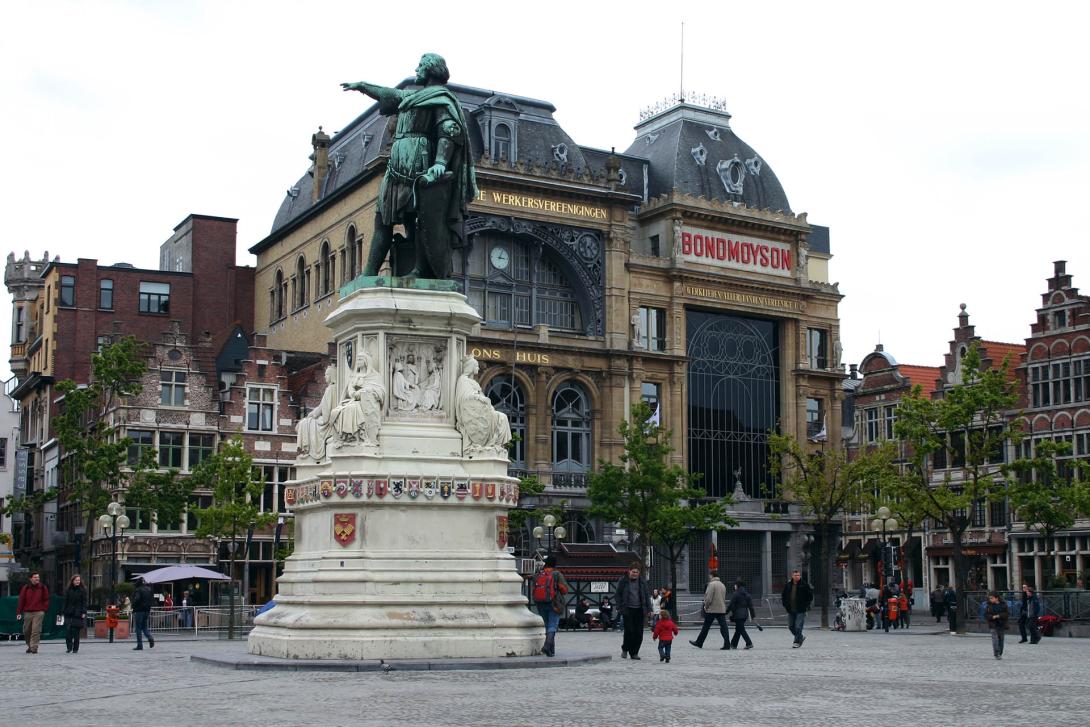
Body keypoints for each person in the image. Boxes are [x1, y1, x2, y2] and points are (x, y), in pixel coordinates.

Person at [342, 53, 477, 280]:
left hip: (420, 167)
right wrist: (363, 86)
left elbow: (449, 132)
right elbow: (389, 94)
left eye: (421, 65)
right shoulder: (411, 97)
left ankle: (420, 270)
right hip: (396, 168)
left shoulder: (441, 99)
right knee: (383, 218)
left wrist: (440, 163)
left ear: (431, 69)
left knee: (421, 220)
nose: (417, 69)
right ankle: (369, 273)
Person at [531, 556, 569, 657]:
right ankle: (547, 646)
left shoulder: (538, 574)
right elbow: (564, 589)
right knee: (553, 626)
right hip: (554, 603)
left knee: (547, 626)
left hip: (540, 603)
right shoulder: (556, 574)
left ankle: (551, 650)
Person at [615, 564, 653, 659]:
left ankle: (634, 652)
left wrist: (649, 609)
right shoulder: (623, 581)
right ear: (629, 571)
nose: (635, 574)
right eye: (633, 572)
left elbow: (647, 595)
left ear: (639, 573)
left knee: (639, 632)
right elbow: (618, 594)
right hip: (627, 609)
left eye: (637, 572)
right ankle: (625, 649)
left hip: (640, 609)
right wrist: (619, 606)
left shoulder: (642, 582)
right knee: (630, 631)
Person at [689, 573, 730, 650]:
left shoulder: (711, 584)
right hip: (721, 609)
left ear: (712, 576)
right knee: (724, 627)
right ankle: (727, 643)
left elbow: (708, 597)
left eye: (710, 576)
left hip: (712, 609)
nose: (709, 577)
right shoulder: (722, 585)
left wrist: (705, 606)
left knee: (706, 627)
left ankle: (699, 642)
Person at [16, 572, 50, 654]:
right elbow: (21, 600)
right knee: (26, 630)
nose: (37, 579)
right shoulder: (26, 588)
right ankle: (29, 646)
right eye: (35, 577)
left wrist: (44, 609)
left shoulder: (42, 587)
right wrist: (18, 612)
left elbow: (46, 599)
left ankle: (34, 647)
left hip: (39, 612)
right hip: (28, 612)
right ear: (31, 579)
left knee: (36, 630)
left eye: (38, 577)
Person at [781, 569, 813, 648]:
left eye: (798, 575)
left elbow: (810, 596)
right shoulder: (788, 585)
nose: (797, 577)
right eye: (795, 575)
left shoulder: (804, 585)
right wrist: (785, 604)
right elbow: (783, 595)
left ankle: (796, 642)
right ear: (792, 576)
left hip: (801, 609)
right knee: (791, 626)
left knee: (798, 626)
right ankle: (800, 637)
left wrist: (806, 605)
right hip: (790, 609)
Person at [727, 579, 757, 650]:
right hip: (744, 615)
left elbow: (731, 605)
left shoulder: (736, 594)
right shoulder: (747, 594)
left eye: (735, 585)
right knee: (738, 629)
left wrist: (726, 612)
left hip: (738, 614)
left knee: (741, 629)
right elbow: (751, 607)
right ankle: (733, 644)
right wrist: (753, 616)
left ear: (737, 586)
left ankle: (749, 643)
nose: (734, 586)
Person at [63, 574, 88, 654]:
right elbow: (65, 601)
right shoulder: (68, 590)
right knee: (68, 631)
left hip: (78, 613)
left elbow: (84, 602)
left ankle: (75, 648)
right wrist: (63, 611)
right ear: (72, 581)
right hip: (68, 613)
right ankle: (69, 647)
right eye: (76, 580)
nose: (78, 581)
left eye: (79, 580)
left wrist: (84, 612)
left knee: (76, 632)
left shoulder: (82, 590)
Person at [131, 578, 155, 650]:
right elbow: (151, 599)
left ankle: (139, 645)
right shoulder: (149, 589)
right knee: (144, 627)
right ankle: (150, 637)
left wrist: (133, 605)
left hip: (139, 610)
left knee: (138, 628)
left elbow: (137, 599)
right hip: (147, 610)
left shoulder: (138, 590)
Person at [984, 591, 1009, 659]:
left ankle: (1000, 653)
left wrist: (999, 616)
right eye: (990, 598)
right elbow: (986, 615)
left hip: (1001, 623)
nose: (990, 600)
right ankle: (996, 653)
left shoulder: (1003, 604)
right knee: (995, 639)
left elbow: (1007, 614)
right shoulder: (988, 605)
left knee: (1001, 639)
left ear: (997, 598)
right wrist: (992, 617)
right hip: (993, 624)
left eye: (992, 598)